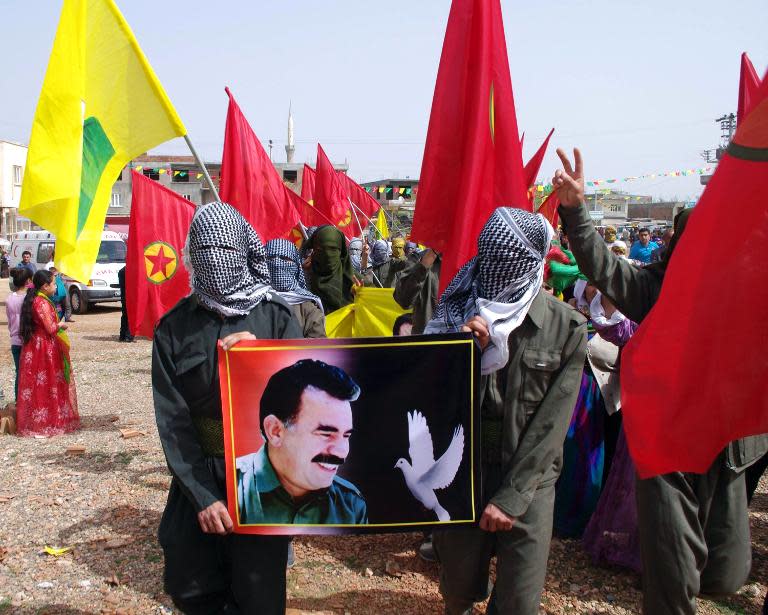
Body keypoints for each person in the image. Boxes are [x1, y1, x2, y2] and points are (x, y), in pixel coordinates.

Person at [553, 147, 767, 615]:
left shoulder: (755, 293)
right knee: (671, 585)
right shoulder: (664, 287)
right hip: (670, 441)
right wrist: (576, 213)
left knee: (725, 574)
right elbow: (612, 274)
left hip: (728, 447)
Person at [426, 207, 588, 615]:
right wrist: (462, 358)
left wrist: (513, 497)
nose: (497, 273)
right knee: (459, 590)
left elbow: (551, 425)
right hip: (465, 474)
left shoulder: (565, 327)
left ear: (533, 263)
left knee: (519, 600)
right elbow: (431, 404)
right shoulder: (455, 314)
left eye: (509, 263)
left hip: (529, 480)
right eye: (491, 259)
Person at [152, 201, 302, 614]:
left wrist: (264, 359)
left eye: (225, 253)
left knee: (260, 593)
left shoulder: (275, 318)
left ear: (244, 252)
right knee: (190, 585)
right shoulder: (174, 327)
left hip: (262, 476)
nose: (216, 263)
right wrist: (202, 497)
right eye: (205, 253)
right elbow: (173, 421)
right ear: (191, 257)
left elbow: (306, 393)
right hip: (200, 475)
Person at [235, 359, 367, 525]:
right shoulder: (230, 488)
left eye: (346, 435)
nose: (341, 452)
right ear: (275, 431)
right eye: (326, 434)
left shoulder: (351, 506)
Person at [16, 269, 79, 436]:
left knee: (39, 382)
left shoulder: (37, 299)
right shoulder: (41, 302)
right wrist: (61, 325)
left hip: (37, 345)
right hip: (44, 347)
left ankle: (43, 418)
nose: (55, 287)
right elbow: (50, 328)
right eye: (53, 283)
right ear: (44, 286)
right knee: (48, 381)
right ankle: (48, 420)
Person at [265, 239, 326, 338]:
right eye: (271, 258)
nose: (277, 263)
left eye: (284, 258)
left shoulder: (307, 307)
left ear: (295, 265)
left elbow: (317, 345)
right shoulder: (252, 303)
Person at [308, 225, 356, 314]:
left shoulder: (355, 281)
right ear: (314, 251)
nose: (327, 254)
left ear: (341, 251)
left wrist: (361, 297)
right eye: (320, 249)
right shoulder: (304, 277)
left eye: (333, 249)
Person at [393, 248, 441, 334]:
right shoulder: (418, 258)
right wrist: (424, 265)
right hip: (428, 341)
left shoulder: (470, 262)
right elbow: (403, 300)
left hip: (463, 342)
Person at [6, 267, 31, 398]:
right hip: (28, 340)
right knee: (30, 372)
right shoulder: (30, 298)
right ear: (28, 281)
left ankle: (18, 400)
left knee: (19, 372)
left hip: (15, 340)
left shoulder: (9, 298)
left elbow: (10, 321)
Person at [117, 266, 133, 342]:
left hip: (125, 296)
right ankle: (128, 336)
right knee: (131, 315)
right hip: (132, 297)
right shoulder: (133, 270)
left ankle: (122, 335)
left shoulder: (122, 271)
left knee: (125, 315)